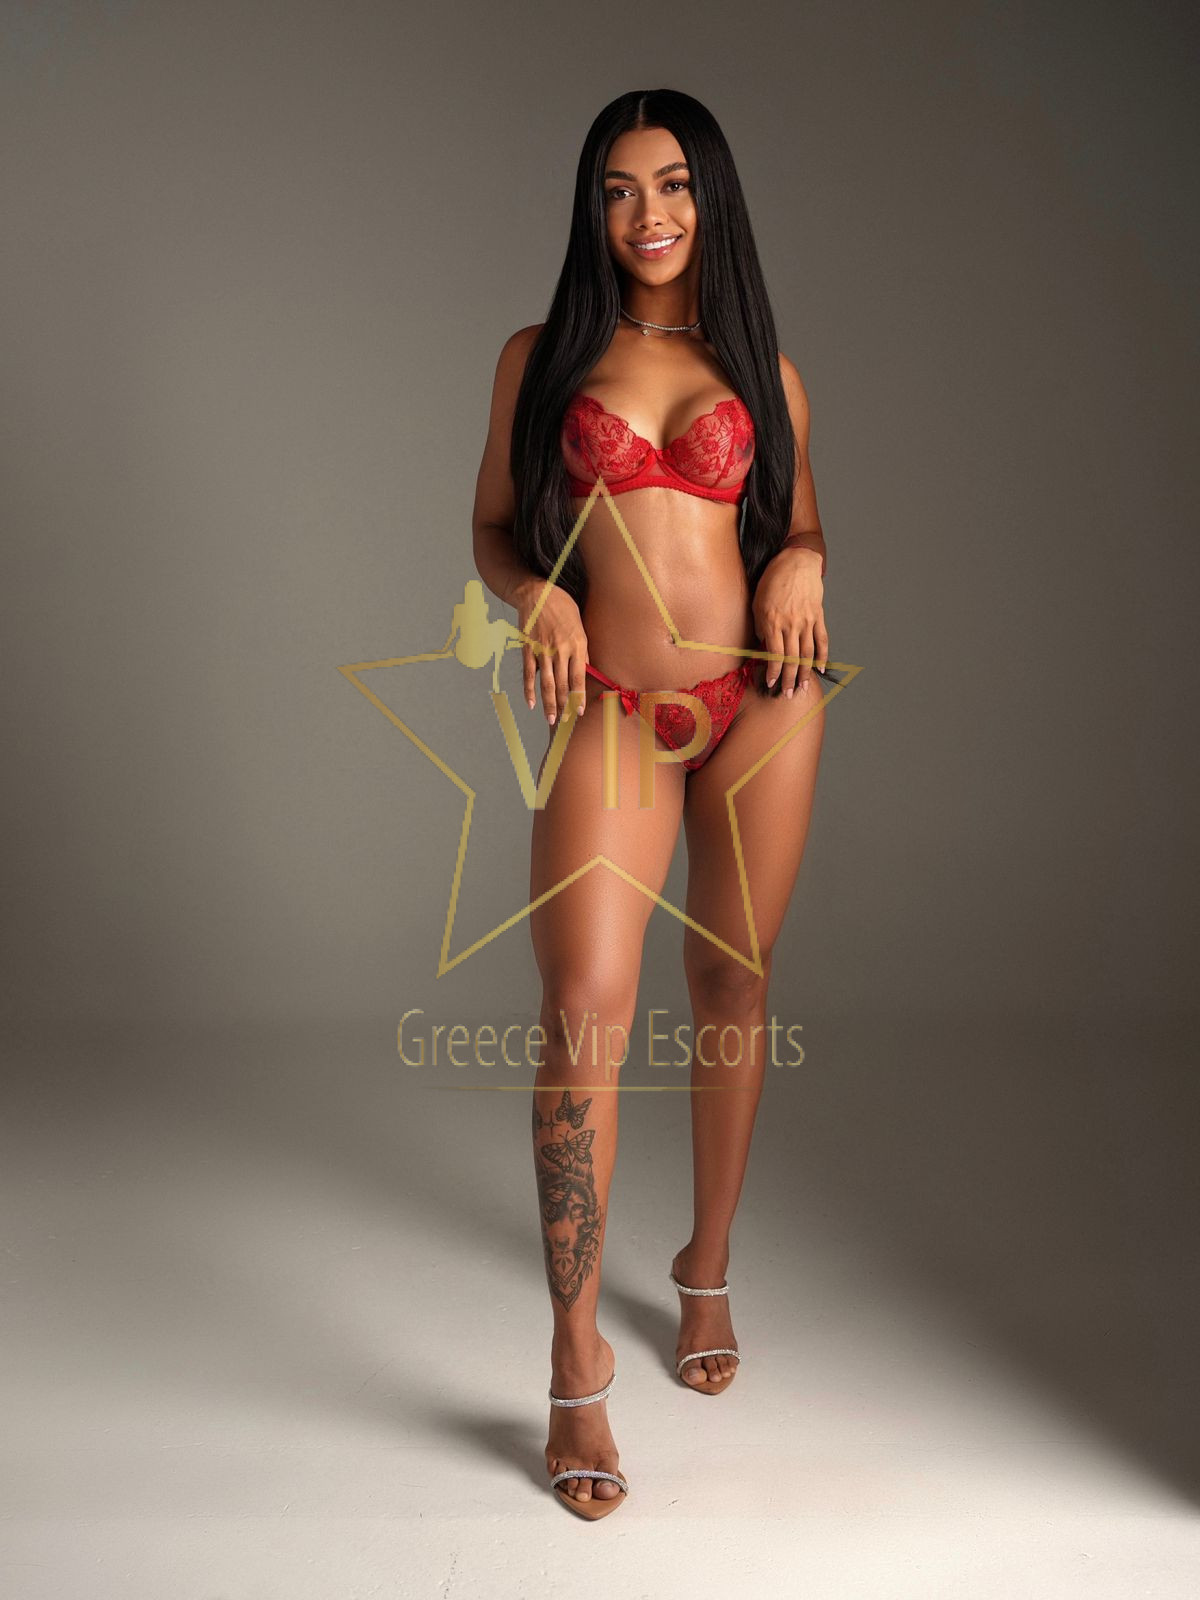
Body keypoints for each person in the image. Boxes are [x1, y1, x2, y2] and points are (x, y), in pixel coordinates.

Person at [470, 88, 840, 1521]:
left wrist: (804, 555)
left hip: (762, 699)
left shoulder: (769, 373)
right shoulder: (541, 360)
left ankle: (706, 1269)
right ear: (593, 208)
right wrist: (538, 594)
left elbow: (795, 523)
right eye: (620, 189)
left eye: (674, 184)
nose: (650, 214)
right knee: (585, 1007)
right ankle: (575, 1362)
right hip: (616, 709)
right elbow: (491, 528)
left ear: (711, 197)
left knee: (734, 977)